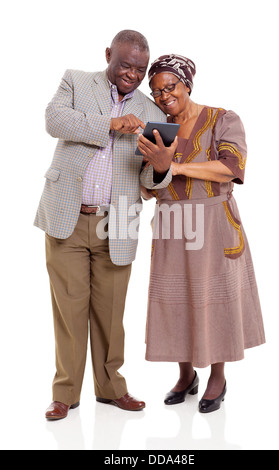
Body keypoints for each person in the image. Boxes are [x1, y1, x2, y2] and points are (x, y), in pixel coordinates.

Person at [34, 31, 173, 420]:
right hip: (69, 216)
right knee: (70, 310)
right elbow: (54, 120)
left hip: (120, 222)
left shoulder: (154, 113)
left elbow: (148, 182)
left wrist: (160, 167)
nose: (132, 74)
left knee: (111, 314)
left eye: (140, 70)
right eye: (125, 64)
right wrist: (111, 124)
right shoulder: (77, 81)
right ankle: (65, 394)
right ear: (108, 55)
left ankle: (112, 389)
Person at [138, 54, 266, 413]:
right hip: (171, 224)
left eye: (170, 86)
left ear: (186, 84)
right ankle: (185, 374)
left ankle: (217, 377)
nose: (164, 96)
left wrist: (174, 166)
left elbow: (230, 167)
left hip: (214, 222)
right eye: (156, 90)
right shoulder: (158, 129)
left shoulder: (222, 119)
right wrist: (158, 171)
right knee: (175, 299)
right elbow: (147, 186)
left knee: (213, 297)